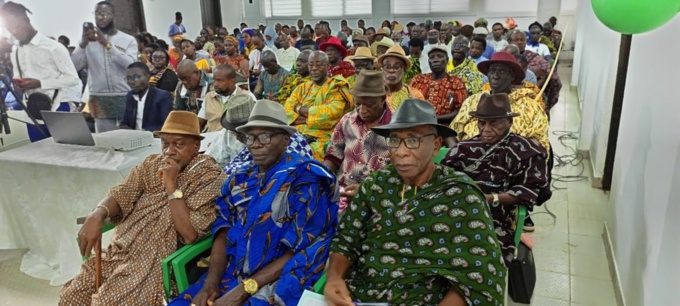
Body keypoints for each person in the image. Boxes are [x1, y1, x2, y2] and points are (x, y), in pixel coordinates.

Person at [324, 98, 506, 306]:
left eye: (413, 140)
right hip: (361, 295)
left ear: (436, 145)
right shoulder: (376, 185)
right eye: (394, 140)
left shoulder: (461, 194)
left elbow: (481, 272)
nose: (401, 152)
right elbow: (347, 240)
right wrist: (334, 278)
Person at [169, 101, 338, 306]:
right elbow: (222, 231)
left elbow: (300, 249)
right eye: (250, 137)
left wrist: (245, 289)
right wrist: (210, 284)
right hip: (233, 272)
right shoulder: (239, 179)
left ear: (285, 139)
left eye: (264, 136)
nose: (255, 144)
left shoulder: (306, 180)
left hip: (278, 278)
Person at [59, 111, 225, 306]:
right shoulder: (150, 164)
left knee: (107, 301)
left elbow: (190, 235)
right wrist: (98, 213)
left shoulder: (209, 176)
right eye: (165, 144)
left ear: (196, 145)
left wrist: (172, 186)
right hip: (121, 250)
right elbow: (123, 192)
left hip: (155, 260)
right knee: (71, 295)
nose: (169, 151)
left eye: (178, 144)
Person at [443, 93, 550, 264]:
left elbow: (531, 190)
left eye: (494, 123)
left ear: (509, 122)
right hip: (457, 210)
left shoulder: (526, 151)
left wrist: (491, 199)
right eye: (481, 123)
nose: (485, 129)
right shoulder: (464, 149)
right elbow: (444, 180)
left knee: (476, 256)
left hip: (496, 218)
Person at [1, 2, 82, 142]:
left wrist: (40, 83)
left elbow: (73, 79)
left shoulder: (53, 48)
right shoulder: (16, 51)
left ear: (26, 21)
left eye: (16, 27)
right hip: (32, 112)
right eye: (9, 29)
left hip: (58, 108)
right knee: (40, 156)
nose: (13, 32)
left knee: (67, 155)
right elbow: (17, 76)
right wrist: (18, 85)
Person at [450, 51, 549, 151]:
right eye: (492, 71)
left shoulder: (529, 105)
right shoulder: (473, 101)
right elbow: (452, 133)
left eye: (502, 72)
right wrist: (458, 154)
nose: (495, 76)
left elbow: (540, 140)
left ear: (512, 76)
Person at [323, 70, 391, 210]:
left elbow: (399, 172)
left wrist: (365, 189)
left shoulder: (397, 127)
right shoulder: (347, 120)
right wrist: (325, 179)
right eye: (358, 103)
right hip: (343, 192)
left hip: (378, 194)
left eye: (369, 105)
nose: (362, 110)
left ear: (383, 98)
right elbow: (333, 156)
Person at [71, 1, 137, 133]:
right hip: (98, 96)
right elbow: (74, 66)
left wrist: (107, 44)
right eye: (97, 14)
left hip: (124, 94)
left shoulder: (127, 39)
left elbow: (132, 65)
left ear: (114, 15)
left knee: (130, 136)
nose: (100, 17)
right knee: (105, 140)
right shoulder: (88, 42)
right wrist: (83, 44)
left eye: (105, 14)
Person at [284, 51, 353, 160]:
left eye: (319, 65)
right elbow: (287, 109)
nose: (314, 68)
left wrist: (298, 109)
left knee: (304, 152)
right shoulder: (302, 88)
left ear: (327, 66)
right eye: (311, 65)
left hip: (323, 138)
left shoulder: (336, 86)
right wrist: (307, 116)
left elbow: (330, 114)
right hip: (296, 134)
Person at [409, 45, 467, 125]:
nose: (435, 60)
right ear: (428, 61)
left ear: (447, 60)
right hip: (418, 123)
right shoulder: (418, 80)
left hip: (444, 126)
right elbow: (409, 104)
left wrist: (435, 118)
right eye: (432, 57)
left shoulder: (456, 82)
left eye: (440, 56)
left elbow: (461, 110)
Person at [509, 30, 562, 111]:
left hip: (530, 99)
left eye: (522, 40)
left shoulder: (534, 57)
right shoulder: (503, 57)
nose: (519, 42)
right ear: (509, 42)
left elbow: (553, 77)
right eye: (516, 40)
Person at [198, 64, 256, 132]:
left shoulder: (247, 97)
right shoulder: (209, 97)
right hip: (211, 139)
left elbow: (255, 123)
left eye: (220, 81)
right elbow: (199, 123)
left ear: (232, 81)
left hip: (236, 139)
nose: (215, 84)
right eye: (214, 80)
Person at [120, 62, 173, 131]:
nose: (131, 82)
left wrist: (144, 133)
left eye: (136, 77)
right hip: (133, 138)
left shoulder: (162, 97)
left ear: (148, 77)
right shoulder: (130, 96)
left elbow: (167, 125)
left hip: (154, 138)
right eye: (128, 78)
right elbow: (125, 122)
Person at [377, 45, 424, 111]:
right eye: (387, 67)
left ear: (404, 69)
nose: (391, 71)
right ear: (382, 69)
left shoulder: (415, 95)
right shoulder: (373, 93)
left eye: (397, 67)